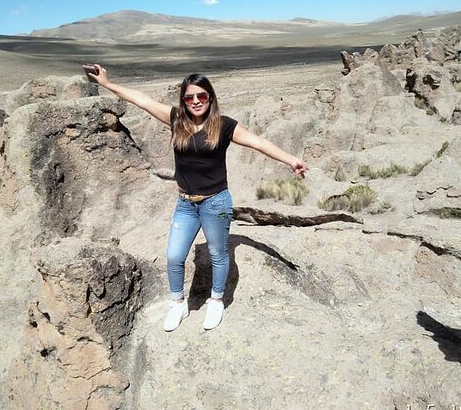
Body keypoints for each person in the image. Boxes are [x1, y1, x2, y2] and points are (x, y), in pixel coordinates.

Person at [85, 64, 308, 331]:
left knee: (218, 253)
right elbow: (141, 100)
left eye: (201, 96)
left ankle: (216, 300)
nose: (195, 102)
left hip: (217, 202)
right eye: (189, 97)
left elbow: (258, 142)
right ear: (183, 101)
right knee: (174, 256)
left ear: (210, 97)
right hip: (186, 204)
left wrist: (290, 160)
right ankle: (178, 304)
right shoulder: (177, 120)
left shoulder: (224, 126)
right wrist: (108, 84)